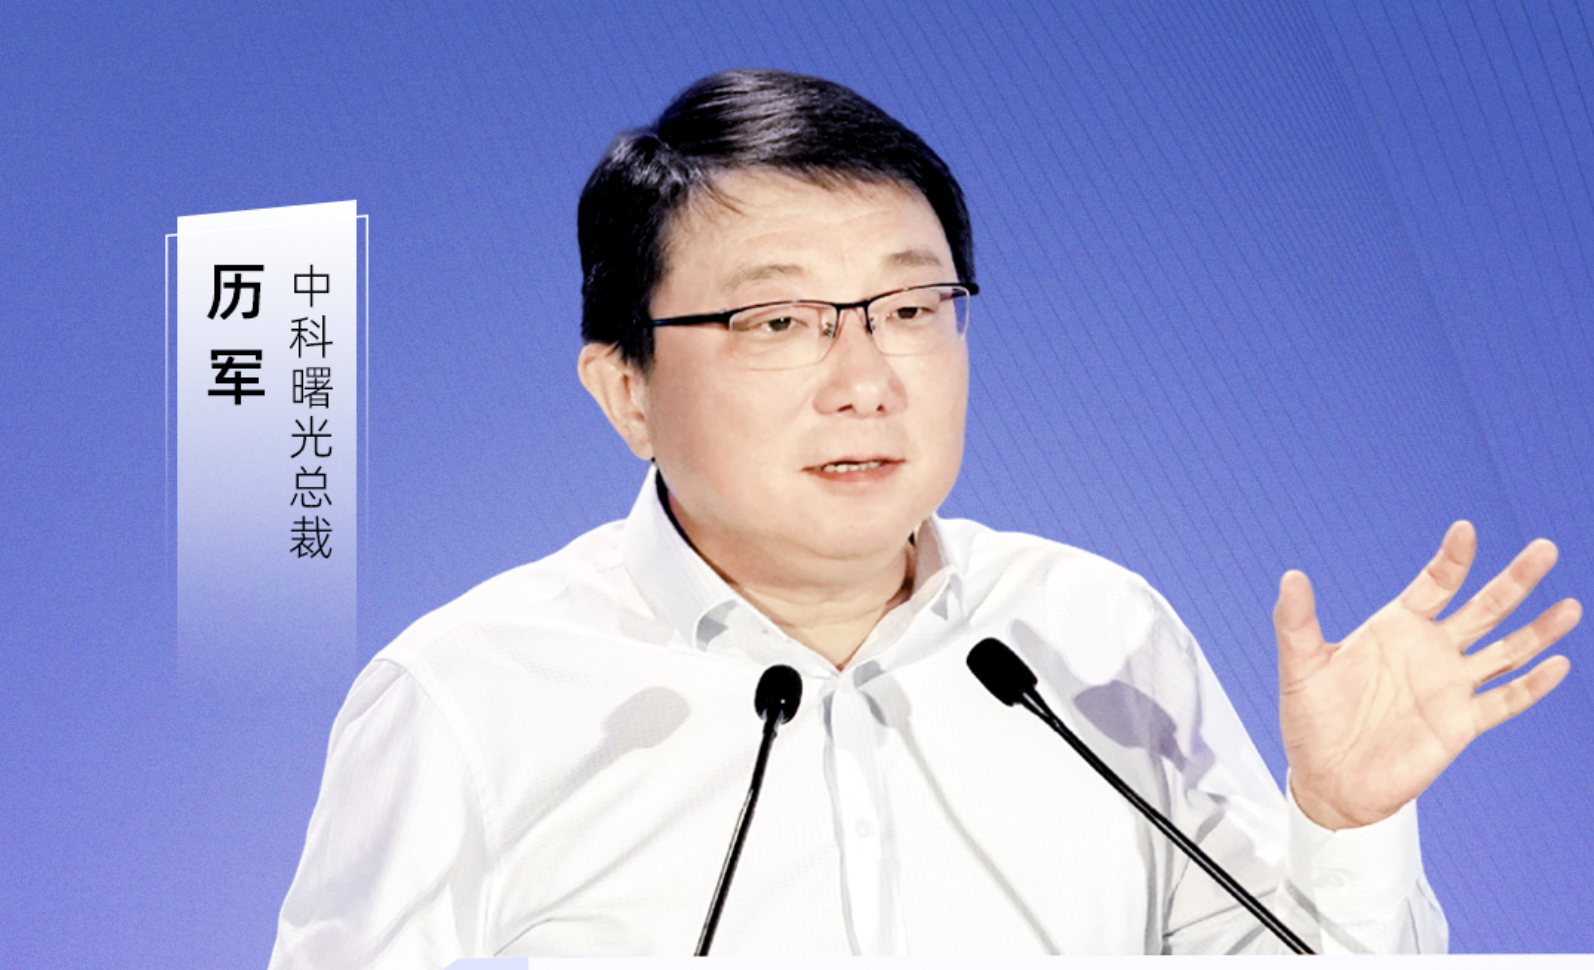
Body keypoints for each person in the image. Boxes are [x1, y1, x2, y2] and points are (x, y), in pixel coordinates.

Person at [269, 70, 1579, 963]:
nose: (865, 380)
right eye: (777, 320)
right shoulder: (466, 697)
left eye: (908, 309)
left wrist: (1340, 826)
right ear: (628, 390)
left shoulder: (1091, 634)